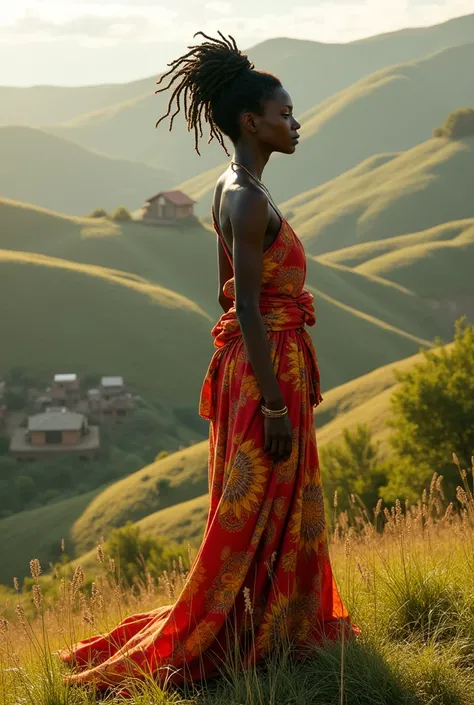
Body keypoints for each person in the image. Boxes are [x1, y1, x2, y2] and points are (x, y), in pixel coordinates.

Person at [58, 30, 359, 694]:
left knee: (258, 509)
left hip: (255, 365)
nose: (295, 123)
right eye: (284, 115)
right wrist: (275, 401)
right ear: (252, 121)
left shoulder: (234, 186)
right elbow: (246, 306)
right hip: (263, 371)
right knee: (255, 510)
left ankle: (272, 627)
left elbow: (224, 295)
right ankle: (240, 638)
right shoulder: (247, 197)